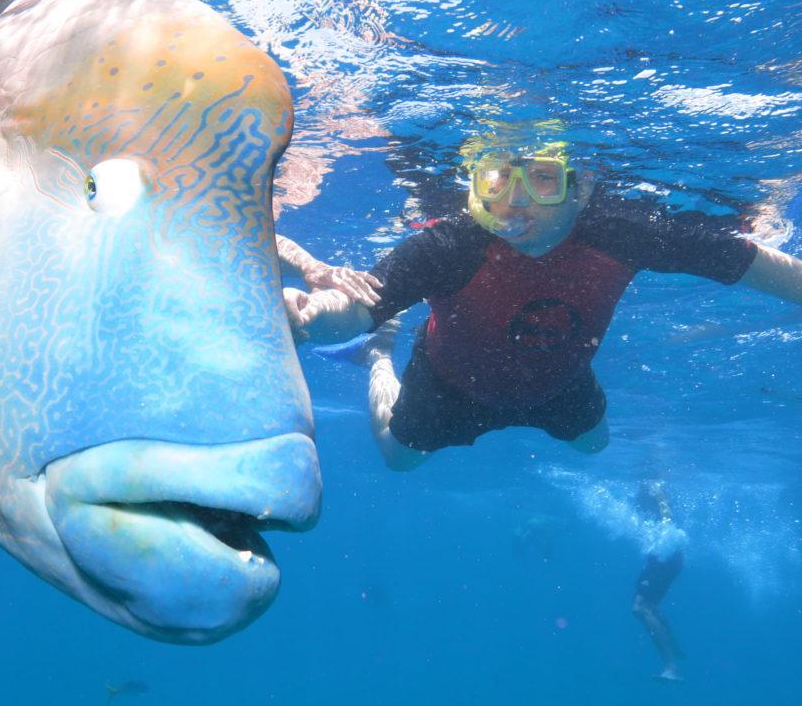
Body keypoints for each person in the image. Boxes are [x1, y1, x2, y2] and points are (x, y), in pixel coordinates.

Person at [280, 134, 802, 470]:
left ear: (582, 189)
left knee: (595, 446)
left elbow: (752, 263)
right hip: (448, 384)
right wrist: (309, 316)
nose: (515, 199)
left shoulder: (621, 233)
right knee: (398, 457)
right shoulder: (453, 244)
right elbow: (357, 306)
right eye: (498, 178)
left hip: (559, 382)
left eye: (543, 178)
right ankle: (378, 358)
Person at [632, 480, 686, 682]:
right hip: (667, 555)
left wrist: (666, 536)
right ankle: (673, 647)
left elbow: (665, 510)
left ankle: (671, 666)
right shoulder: (646, 489)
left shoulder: (654, 487)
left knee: (640, 606)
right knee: (649, 605)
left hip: (666, 555)